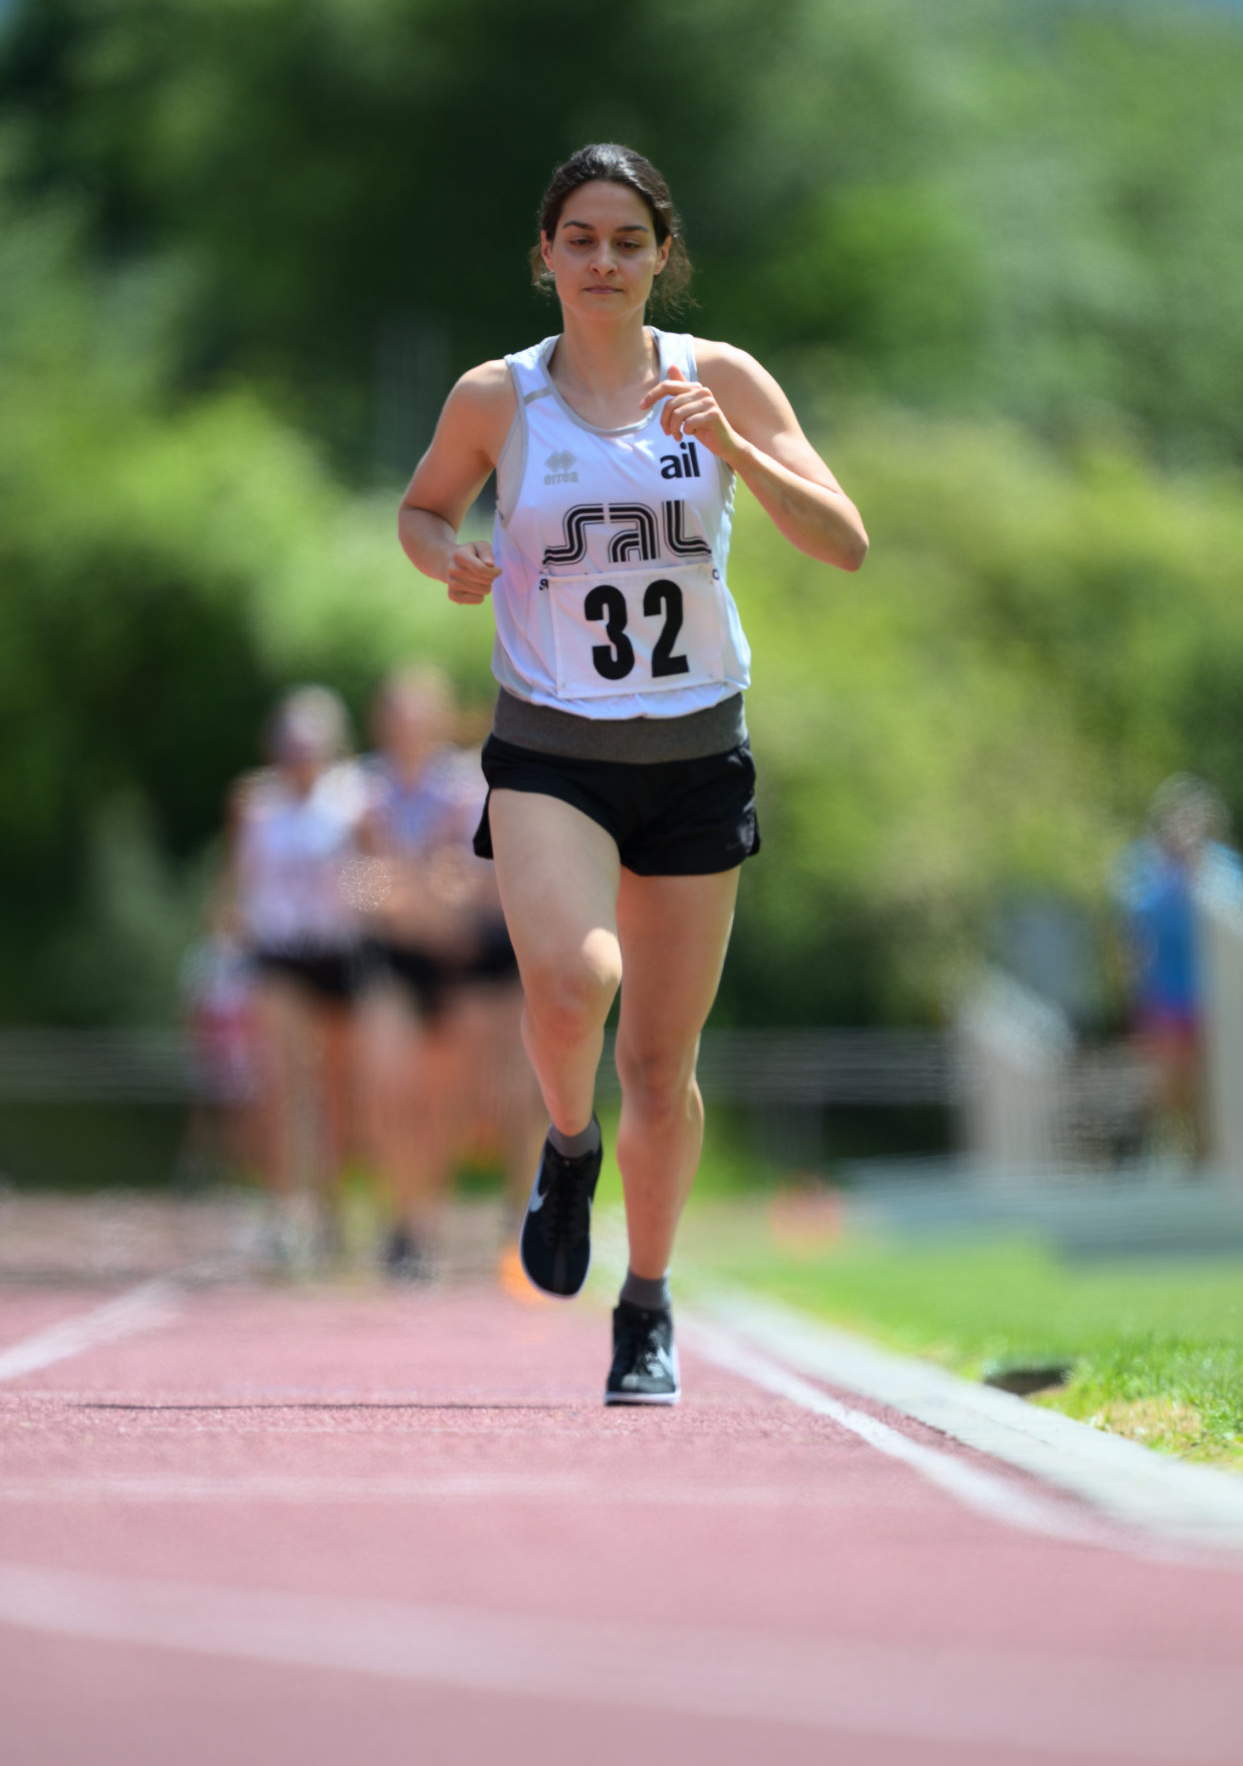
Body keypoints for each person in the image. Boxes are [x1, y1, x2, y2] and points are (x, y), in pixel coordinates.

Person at [397, 143, 868, 1402]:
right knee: (573, 977)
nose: (602, 261)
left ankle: (644, 1309)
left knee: (663, 1063)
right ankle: (565, 1144)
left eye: (626, 240)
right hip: (549, 743)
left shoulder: (719, 382)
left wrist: (740, 452)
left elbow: (843, 542)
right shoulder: (498, 398)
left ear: (662, 257)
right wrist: (442, 554)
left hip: (695, 752)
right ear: (543, 255)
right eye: (580, 239)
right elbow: (423, 506)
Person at [357, 667, 542, 1280]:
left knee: (473, 1099)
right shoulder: (361, 793)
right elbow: (354, 883)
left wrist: (422, 893)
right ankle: (406, 1220)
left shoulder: (471, 787)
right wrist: (411, 895)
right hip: (400, 959)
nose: (408, 730)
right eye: (397, 718)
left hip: (473, 964)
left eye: (420, 717)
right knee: (394, 1090)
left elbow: (482, 880)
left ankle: (487, 1220)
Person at [228, 685, 368, 1268]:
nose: (299, 757)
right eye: (290, 745)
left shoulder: (356, 801)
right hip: (279, 953)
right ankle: (286, 1212)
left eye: (310, 746)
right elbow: (239, 876)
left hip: (337, 954)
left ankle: (331, 1206)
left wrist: (363, 900)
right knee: (283, 1085)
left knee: (334, 1092)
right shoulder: (254, 804)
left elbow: (374, 879)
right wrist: (227, 942)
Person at [1112, 773, 1243, 1166]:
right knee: (1172, 1085)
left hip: (1218, 996)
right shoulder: (1143, 868)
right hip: (1165, 994)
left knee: (1214, 1082)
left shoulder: (1225, 870)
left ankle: (1210, 1153)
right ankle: (1186, 1149)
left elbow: (1239, 915)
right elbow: (1133, 922)